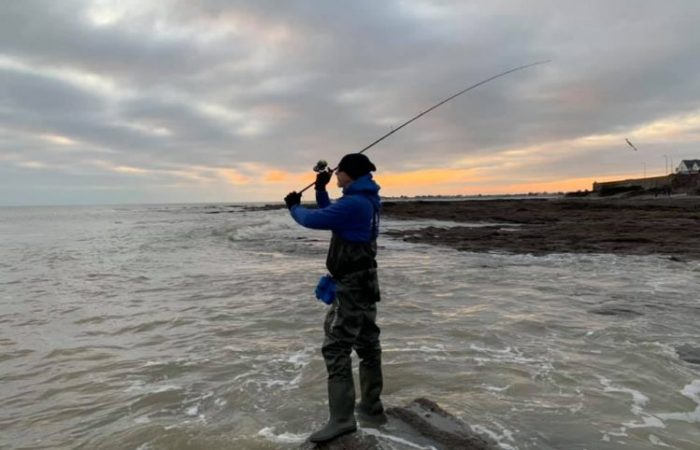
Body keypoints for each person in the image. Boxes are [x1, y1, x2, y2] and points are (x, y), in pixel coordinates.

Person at [284, 153, 385, 443]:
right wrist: (320, 188)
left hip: (351, 287)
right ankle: (371, 407)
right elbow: (333, 216)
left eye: (338, 171)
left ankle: (341, 420)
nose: (336, 175)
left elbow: (314, 219)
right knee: (368, 343)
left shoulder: (354, 203)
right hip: (365, 281)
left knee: (336, 347)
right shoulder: (365, 200)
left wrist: (294, 206)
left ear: (349, 174)